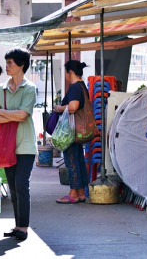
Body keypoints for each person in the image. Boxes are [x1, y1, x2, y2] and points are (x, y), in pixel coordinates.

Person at [0, 48, 37, 242]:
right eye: (7, 62)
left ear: (21, 65)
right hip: (6, 146)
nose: (6, 66)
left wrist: (4, 112)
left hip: (25, 145)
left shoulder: (30, 88)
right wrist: (11, 114)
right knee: (13, 187)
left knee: (21, 184)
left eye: (10, 63)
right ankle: (17, 225)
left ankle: (24, 227)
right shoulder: (0, 89)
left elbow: (23, 115)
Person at [53, 60, 90, 204]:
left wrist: (58, 108)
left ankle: (73, 193)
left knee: (71, 161)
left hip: (71, 130)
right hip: (78, 130)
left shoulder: (75, 87)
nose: (66, 76)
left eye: (66, 73)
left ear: (71, 72)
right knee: (78, 159)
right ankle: (81, 193)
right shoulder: (82, 86)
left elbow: (73, 107)